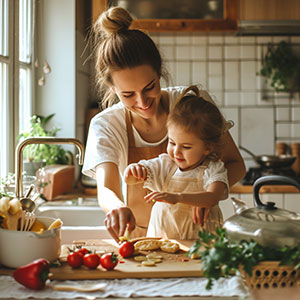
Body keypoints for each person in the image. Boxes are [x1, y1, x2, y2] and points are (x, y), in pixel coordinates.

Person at [82, 6, 246, 242]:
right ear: (112, 89)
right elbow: (106, 189)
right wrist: (116, 207)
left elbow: (235, 164)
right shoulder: (106, 124)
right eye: (128, 94)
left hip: (197, 239)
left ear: (159, 73)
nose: (142, 102)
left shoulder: (190, 104)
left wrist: (204, 195)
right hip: (139, 241)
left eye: (150, 87)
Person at [123, 86, 229, 239]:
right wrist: (133, 170)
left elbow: (212, 197)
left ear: (208, 147)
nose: (176, 152)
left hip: (200, 246)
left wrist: (178, 197)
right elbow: (131, 179)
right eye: (172, 142)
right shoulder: (165, 165)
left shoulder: (214, 170)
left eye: (186, 147)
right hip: (162, 242)